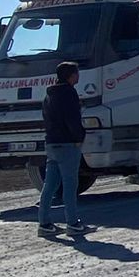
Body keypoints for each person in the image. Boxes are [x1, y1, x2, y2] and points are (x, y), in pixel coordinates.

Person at [38, 62, 93, 238]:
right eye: (76, 73)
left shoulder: (49, 95)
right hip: (68, 144)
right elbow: (73, 120)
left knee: (50, 185)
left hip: (51, 143)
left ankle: (44, 223)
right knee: (70, 185)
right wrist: (79, 138)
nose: (78, 76)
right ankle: (73, 223)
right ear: (71, 76)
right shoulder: (69, 93)